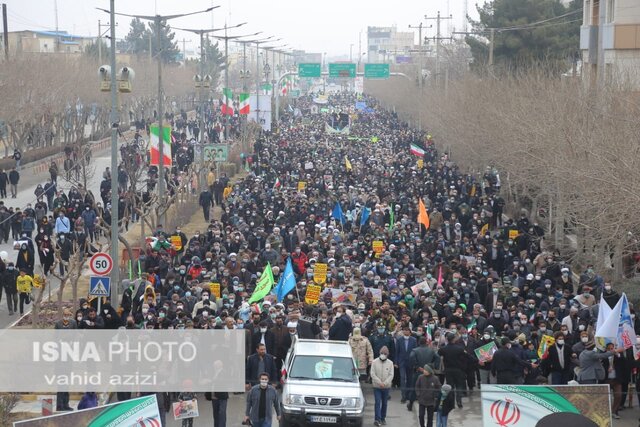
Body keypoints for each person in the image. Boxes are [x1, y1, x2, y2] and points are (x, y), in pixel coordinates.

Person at [370, 346, 394, 426]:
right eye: (382, 353)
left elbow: (391, 375)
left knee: (384, 403)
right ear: (379, 353)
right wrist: (379, 382)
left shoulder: (390, 363)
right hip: (377, 386)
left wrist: (385, 383)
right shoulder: (374, 362)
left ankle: (383, 418)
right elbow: (372, 374)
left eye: (385, 354)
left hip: (386, 387)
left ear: (387, 355)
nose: (383, 355)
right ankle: (377, 419)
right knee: (377, 402)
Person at [395, 326, 418, 404]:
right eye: (404, 330)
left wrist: (415, 362)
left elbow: (415, 351)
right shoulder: (399, 340)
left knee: (410, 379)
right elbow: (397, 352)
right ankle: (403, 396)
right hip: (402, 362)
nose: (406, 332)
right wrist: (396, 362)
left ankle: (408, 395)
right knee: (402, 378)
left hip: (410, 362)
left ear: (410, 332)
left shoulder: (414, 340)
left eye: (407, 330)